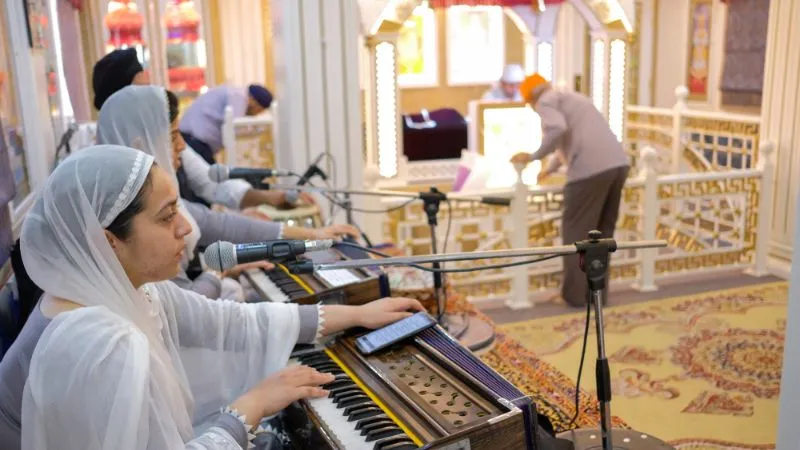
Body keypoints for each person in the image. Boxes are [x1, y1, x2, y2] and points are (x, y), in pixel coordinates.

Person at [0, 144, 424, 449]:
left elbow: (229, 320)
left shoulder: (126, 290)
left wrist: (356, 314)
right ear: (108, 241)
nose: (186, 228)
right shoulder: (97, 344)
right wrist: (250, 406)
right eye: (167, 217)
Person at [96, 85, 358, 301]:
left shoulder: (160, 198)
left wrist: (312, 236)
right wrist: (217, 271)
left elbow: (220, 221)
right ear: (141, 143)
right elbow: (187, 313)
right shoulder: (136, 221)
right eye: (174, 136)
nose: (183, 146)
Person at [91, 55, 308, 212]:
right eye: (142, 93)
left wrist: (272, 197)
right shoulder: (105, 173)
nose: (153, 100)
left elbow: (209, 183)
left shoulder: (172, 144)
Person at [510, 73, 630, 308]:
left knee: (577, 235)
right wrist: (549, 168)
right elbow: (568, 138)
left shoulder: (545, 101)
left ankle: (574, 297)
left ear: (531, 99)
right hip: (618, 165)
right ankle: (597, 296)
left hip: (589, 171)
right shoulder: (572, 97)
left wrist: (533, 156)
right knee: (601, 236)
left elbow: (557, 129)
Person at [180, 84, 273, 164]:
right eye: (258, 111)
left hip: (195, 140)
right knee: (209, 177)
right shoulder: (239, 97)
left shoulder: (234, 93)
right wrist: (260, 129)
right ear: (254, 102)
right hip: (195, 141)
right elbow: (236, 128)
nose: (255, 115)